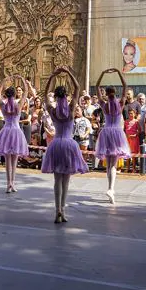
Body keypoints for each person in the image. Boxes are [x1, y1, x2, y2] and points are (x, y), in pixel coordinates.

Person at [41, 67, 89, 223]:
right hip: (69, 144)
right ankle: (63, 209)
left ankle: (57, 210)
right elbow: (77, 88)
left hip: (56, 144)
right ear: (66, 96)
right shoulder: (71, 108)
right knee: (66, 180)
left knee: (57, 180)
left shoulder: (52, 110)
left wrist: (52, 76)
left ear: (55, 96)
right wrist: (69, 73)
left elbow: (44, 94)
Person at [94, 68, 131, 204]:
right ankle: (111, 188)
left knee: (109, 164)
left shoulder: (104, 105)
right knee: (114, 164)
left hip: (106, 132)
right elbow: (125, 86)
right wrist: (118, 72)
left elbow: (97, 87)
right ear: (114, 93)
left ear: (107, 93)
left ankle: (110, 189)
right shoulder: (120, 103)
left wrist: (103, 74)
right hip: (116, 132)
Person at [0, 75, 29, 193]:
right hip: (16, 131)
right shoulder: (18, 106)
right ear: (14, 95)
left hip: (6, 131)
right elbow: (26, 93)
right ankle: (12, 183)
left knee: (7, 160)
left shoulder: (3, 105)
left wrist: (3, 82)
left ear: (6, 95)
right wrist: (23, 81)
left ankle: (8, 183)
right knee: (14, 160)